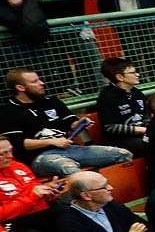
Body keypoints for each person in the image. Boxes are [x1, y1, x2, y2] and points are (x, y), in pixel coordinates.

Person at [0, 68, 132, 177]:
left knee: (122, 154)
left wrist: (79, 124)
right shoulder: (9, 111)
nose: (42, 83)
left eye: (39, 79)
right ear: (20, 87)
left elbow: (70, 121)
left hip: (71, 148)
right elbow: (18, 143)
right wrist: (51, 141)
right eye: (35, 81)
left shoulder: (51, 101)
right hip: (39, 157)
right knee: (69, 168)